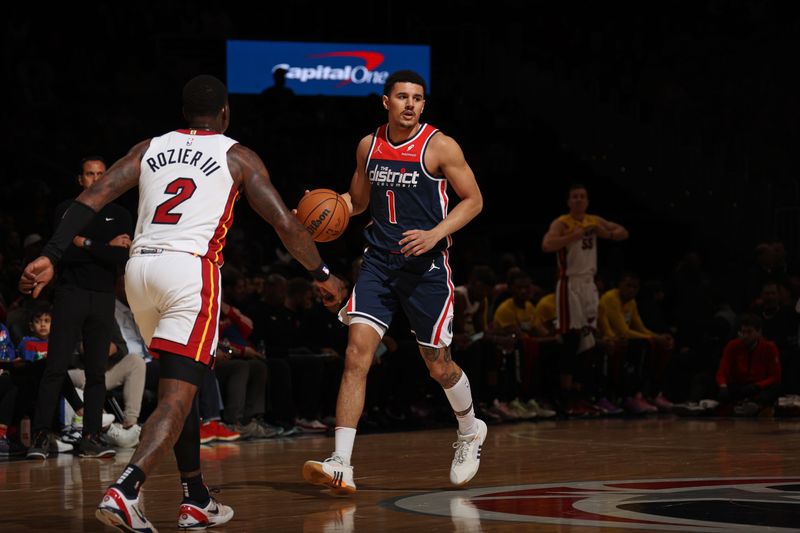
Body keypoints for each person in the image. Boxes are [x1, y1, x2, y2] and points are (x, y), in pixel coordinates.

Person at [19, 75, 346, 531]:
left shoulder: (149, 147)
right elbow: (286, 224)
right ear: (226, 112)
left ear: (184, 112)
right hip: (189, 272)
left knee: (182, 385)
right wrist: (323, 275)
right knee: (175, 397)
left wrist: (50, 254)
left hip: (139, 271)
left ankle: (195, 497)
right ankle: (127, 490)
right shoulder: (237, 155)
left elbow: (90, 197)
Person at [303, 70, 485, 494]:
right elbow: (358, 201)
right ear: (385, 101)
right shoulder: (369, 146)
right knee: (356, 355)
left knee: (437, 365)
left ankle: (469, 429)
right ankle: (341, 463)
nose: (410, 104)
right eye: (402, 97)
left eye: (418, 99)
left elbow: (474, 200)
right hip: (379, 263)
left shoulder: (440, 146)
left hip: (426, 269)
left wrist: (435, 233)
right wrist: (318, 212)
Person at [24, 156, 132, 460]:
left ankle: (91, 437)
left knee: (97, 372)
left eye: (101, 174)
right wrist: (103, 247)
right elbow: (64, 254)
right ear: (80, 179)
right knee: (55, 366)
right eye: (89, 174)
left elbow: (120, 259)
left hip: (102, 297)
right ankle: (42, 436)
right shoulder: (67, 210)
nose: (96, 179)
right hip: (70, 294)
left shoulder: (120, 214)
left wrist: (84, 243)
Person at [541, 184, 628, 415]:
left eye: (582, 197)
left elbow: (623, 232)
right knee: (571, 337)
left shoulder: (593, 220)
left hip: (589, 283)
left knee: (588, 339)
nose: (579, 200)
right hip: (569, 283)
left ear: (587, 201)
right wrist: (573, 236)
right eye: (574, 197)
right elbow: (547, 245)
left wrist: (606, 233)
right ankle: (565, 397)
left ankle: (581, 394)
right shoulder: (562, 223)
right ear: (569, 202)